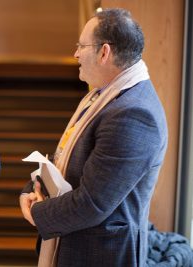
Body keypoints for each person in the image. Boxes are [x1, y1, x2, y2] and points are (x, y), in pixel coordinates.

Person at [20, 8, 168, 267]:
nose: (75, 54)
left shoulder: (133, 113)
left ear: (104, 52)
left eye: (81, 46)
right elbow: (66, 159)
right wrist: (33, 189)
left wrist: (37, 212)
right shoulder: (103, 95)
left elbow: (92, 203)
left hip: (100, 254)